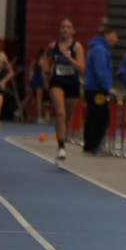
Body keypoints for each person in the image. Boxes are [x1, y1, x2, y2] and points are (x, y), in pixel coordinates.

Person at [42, 18, 85, 161]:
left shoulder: (77, 47)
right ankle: (61, 146)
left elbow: (81, 69)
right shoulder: (53, 45)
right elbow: (45, 55)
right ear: (59, 29)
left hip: (72, 84)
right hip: (57, 82)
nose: (65, 29)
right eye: (63, 26)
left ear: (73, 31)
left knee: (67, 119)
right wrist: (45, 69)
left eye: (68, 27)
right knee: (60, 112)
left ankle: (62, 139)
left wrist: (69, 57)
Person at [82, 26, 118, 155]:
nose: (116, 40)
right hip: (96, 90)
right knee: (102, 118)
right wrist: (107, 87)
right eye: (114, 36)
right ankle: (93, 145)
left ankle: (89, 145)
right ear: (106, 35)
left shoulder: (98, 48)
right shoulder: (100, 50)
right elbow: (100, 71)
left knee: (93, 117)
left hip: (93, 88)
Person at [20, 48, 49, 124]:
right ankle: (39, 117)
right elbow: (44, 73)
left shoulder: (35, 60)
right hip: (39, 80)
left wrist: (29, 82)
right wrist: (46, 82)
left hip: (33, 80)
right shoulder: (44, 61)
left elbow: (31, 72)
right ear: (44, 55)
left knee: (28, 97)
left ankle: (18, 111)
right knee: (39, 99)